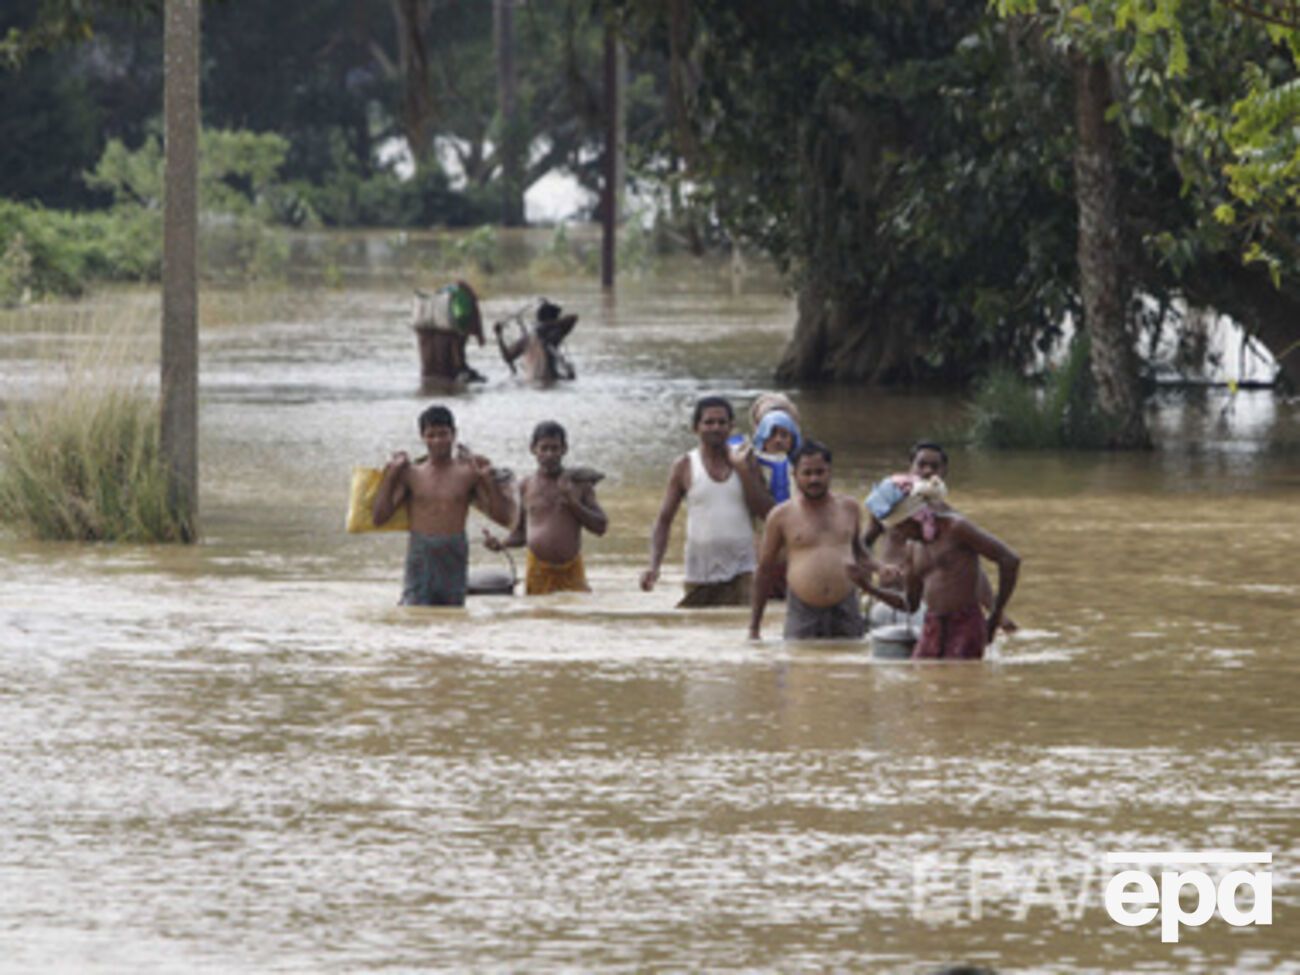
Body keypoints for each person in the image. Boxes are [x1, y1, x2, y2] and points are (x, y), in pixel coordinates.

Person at [862, 441, 1017, 635]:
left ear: (944, 473)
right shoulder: (887, 508)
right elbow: (862, 545)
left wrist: (995, 611)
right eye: (921, 464)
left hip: (924, 607)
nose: (927, 471)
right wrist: (875, 569)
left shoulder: (951, 521)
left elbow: (974, 570)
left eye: (934, 467)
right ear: (910, 467)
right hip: (889, 598)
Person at [372, 404, 516, 606]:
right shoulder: (411, 473)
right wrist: (391, 475)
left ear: (454, 434)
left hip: (454, 551)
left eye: (443, 434)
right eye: (431, 435)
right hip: (421, 553)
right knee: (415, 609)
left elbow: (502, 516)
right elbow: (379, 517)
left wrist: (488, 481)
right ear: (422, 437)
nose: (438, 441)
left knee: (453, 613)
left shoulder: (469, 473)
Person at [640, 395, 774, 606]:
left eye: (722, 422)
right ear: (696, 428)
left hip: (743, 572)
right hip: (699, 573)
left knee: (741, 625)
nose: (716, 428)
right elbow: (664, 521)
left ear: (731, 427)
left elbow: (767, 513)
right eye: (709, 422)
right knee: (698, 625)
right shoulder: (684, 465)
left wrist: (742, 471)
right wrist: (654, 566)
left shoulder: (746, 460)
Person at [870, 474, 1020, 660]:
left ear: (915, 517)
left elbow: (1010, 560)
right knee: (922, 673)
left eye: (900, 527)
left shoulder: (956, 528)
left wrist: (995, 615)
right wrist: (868, 587)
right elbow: (911, 604)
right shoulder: (912, 548)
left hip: (965, 624)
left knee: (957, 675)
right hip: (932, 625)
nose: (899, 534)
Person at [749, 441, 880, 640]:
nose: (814, 479)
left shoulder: (850, 508)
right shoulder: (781, 515)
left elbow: (859, 552)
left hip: (846, 608)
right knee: (799, 658)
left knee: (852, 657)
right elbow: (765, 570)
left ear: (830, 472)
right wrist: (754, 628)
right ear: (795, 475)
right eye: (807, 473)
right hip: (803, 612)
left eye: (820, 472)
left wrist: (880, 568)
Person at [483, 420, 607, 594]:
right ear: (533, 449)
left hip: (571, 569)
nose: (549, 454)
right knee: (538, 611)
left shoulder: (579, 485)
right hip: (537, 571)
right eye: (544, 448)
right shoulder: (526, 486)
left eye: (555, 448)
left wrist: (572, 502)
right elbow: (521, 534)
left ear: (564, 449)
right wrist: (501, 544)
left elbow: (601, 527)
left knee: (575, 609)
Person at [412, 281, 486, 383]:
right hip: (447, 383)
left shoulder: (425, 331)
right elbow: (458, 365)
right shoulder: (455, 333)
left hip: (426, 380)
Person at [494, 299, 578, 381]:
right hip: (545, 381)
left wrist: (499, 337)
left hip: (536, 382)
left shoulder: (544, 337)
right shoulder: (552, 336)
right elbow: (507, 357)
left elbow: (573, 318)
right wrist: (499, 337)